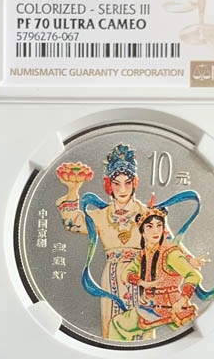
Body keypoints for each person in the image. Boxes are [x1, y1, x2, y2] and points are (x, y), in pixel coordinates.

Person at [56, 144, 148, 339]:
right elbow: (72, 223)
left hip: (142, 275)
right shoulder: (101, 216)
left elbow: (168, 242)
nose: (122, 189)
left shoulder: (147, 213)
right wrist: (73, 190)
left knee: (143, 324)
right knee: (112, 326)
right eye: (116, 183)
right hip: (112, 277)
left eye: (127, 183)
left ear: (134, 183)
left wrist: (188, 260)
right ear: (109, 185)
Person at [109, 208, 204, 341]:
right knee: (118, 324)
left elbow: (194, 276)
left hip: (173, 308)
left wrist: (182, 300)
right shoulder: (143, 255)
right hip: (152, 307)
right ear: (142, 231)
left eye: (159, 226)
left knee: (118, 324)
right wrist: (143, 283)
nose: (155, 231)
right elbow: (126, 274)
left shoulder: (170, 253)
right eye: (150, 226)